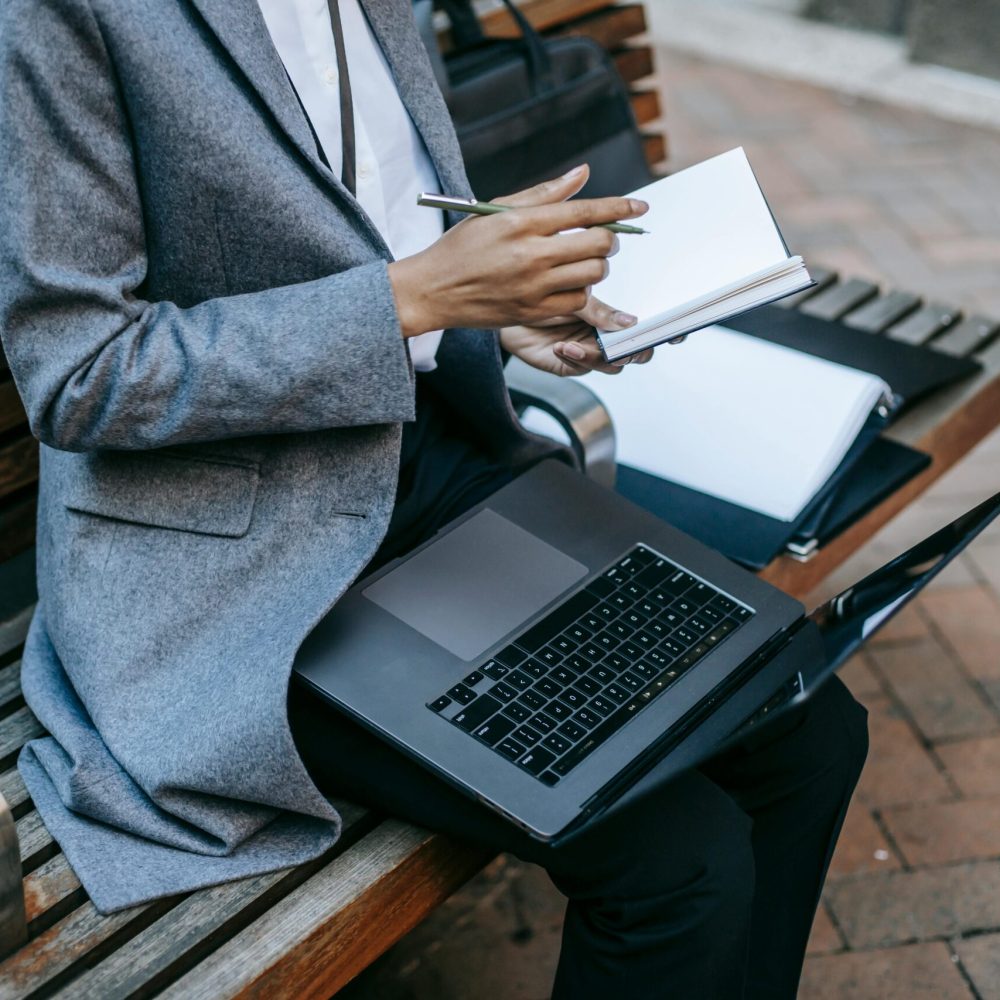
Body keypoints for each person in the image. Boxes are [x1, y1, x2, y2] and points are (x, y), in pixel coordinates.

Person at [0, 0, 867, 995]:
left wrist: (496, 320)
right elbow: (81, 373)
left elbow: (373, 218)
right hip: (236, 557)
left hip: (429, 459)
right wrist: (415, 301)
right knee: (683, 867)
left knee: (814, 732)